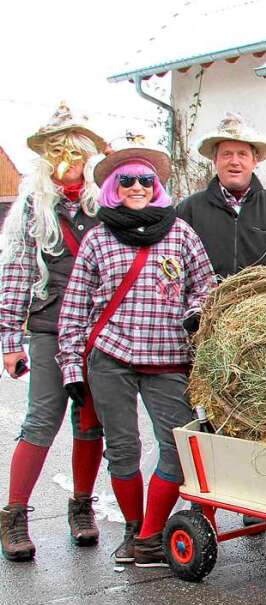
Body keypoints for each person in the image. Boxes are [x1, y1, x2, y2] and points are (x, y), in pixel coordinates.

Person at [56, 138, 214, 567]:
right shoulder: (97, 239)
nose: (137, 186)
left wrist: (196, 312)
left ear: (156, 185)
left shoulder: (180, 232)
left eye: (145, 179)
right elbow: (74, 308)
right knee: (123, 449)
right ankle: (134, 529)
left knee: (179, 448)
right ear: (113, 187)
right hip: (112, 359)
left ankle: (149, 533)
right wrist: (72, 367)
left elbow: (204, 284)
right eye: (126, 180)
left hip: (167, 358)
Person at [0, 103, 108, 561]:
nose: (68, 159)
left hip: (98, 332)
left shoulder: (107, 204)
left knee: (90, 422)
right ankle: (15, 515)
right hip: (47, 329)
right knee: (41, 421)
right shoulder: (33, 207)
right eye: (57, 150)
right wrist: (9, 340)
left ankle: (80, 507)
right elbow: (17, 271)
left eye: (76, 150)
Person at [177, 113, 266, 279]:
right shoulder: (188, 209)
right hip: (205, 303)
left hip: (259, 303)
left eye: (242, 154)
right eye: (227, 154)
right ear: (214, 160)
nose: (234, 161)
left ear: (255, 161)